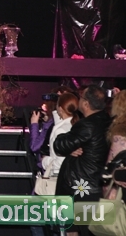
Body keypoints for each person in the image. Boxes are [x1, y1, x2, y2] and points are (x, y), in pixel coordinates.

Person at [53, 85, 112, 236]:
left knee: (81, 230)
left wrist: (65, 142)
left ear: (86, 103)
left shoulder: (87, 125)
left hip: (83, 188)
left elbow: (60, 145)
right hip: (98, 186)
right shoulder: (108, 121)